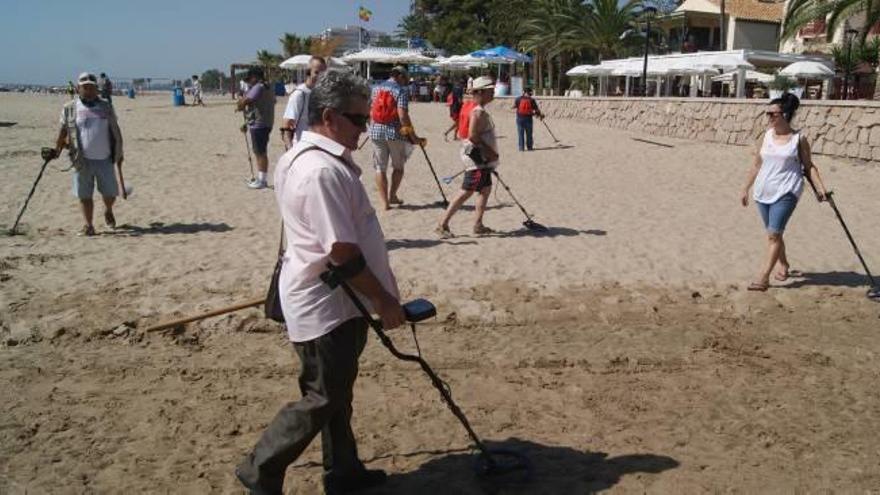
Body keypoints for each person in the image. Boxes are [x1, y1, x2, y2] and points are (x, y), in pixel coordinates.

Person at [235, 70, 403, 495]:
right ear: (329, 116)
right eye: (358, 120)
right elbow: (342, 254)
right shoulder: (320, 171)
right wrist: (384, 300)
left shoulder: (303, 157)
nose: (365, 129)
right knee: (322, 397)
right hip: (329, 305)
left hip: (333, 299)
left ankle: (343, 472)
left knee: (336, 394)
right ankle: (260, 467)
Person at [740, 93, 829, 291]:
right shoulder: (766, 136)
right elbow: (756, 165)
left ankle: (763, 277)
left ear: (786, 114)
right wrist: (745, 188)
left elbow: (809, 166)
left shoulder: (799, 139)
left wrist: (821, 189)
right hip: (763, 191)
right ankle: (784, 264)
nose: (769, 117)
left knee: (773, 234)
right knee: (774, 233)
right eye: (767, 113)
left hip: (787, 191)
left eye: (773, 113)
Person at [51, 72, 124, 236]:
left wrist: (119, 153)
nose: (89, 90)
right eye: (85, 87)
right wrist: (56, 149)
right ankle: (88, 225)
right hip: (81, 159)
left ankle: (108, 209)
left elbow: (115, 131)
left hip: (105, 158)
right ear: (78, 88)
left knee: (111, 193)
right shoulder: (70, 108)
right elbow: (63, 131)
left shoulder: (106, 106)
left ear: (96, 88)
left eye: (91, 87)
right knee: (84, 195)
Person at [436, 76, 499, 238]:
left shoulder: (470, 106)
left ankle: (478, 224)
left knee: (485, 189)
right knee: (466, 191)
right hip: (477, 157)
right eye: (490, 91)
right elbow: (473, 135)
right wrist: (489, 152)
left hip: (476, 156)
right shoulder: (477, 111)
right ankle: (442, 224)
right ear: (481, 92)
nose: (493, 93)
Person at [368, 66, 423, 210]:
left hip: (375, 132)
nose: (406, 82)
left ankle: (385, 202)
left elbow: (370, 110)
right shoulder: (400, 90)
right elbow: (403, 116)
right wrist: (413, 136)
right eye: (405, 78)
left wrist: (371, 126)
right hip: (394, 133)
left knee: (380, 168)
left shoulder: (376, 88)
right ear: (400, 76)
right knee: (398, 167)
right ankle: (392, 195)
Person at [236, 67, 276, 189]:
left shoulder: (258, 87)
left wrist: (241, 101)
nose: (249, 82)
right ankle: (261, 178)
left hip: (259, 124)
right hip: (267, 122)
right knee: (260, 151)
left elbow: (244, 103)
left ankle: (262, 180)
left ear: (255, 77)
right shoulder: (268, 87)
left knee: (259, 152)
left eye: (250, 79)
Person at [280, 56, 327, 150]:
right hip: (301, 147)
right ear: (308, 72)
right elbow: (286, 125)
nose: (320, 76)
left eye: (323, 73)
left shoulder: (322, 93)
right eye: (317, 72)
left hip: (318, 147)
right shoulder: (299, 94)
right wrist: (291, 151)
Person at [513, 87, 543, 152]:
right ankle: (529, 147)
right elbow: (536, 110)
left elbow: (515, 106)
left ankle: (521, 148)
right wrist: (540, 116)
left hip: (520, 118)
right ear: (529, 92)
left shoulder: (518, 99)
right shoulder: (532, 100)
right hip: (528, 119)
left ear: (524, 92)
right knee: (529, 134)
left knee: (520, 134)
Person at [443, 77, 466, 141]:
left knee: (458, 122)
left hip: (453, 107)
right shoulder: (460, 89)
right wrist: (464, 105)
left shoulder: (454, 88)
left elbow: (451, 97)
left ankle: (455, 136)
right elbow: (459, 100)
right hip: (457, 108)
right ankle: (447, 132)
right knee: (457, 123)